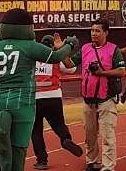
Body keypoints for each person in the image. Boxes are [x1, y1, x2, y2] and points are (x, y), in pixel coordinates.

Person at [0, 9, 77, 171]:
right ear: (27, 28)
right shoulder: (31, 46)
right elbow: (56, 57)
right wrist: (70, 45)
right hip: (22, 103)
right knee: (19, 146)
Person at [63, 18, 126, 171]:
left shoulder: (113, 50)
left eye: (97, 31)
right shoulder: (85, 49)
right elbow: (69, 64)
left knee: (107, 135)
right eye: (92, 30)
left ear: (106, 32)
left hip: (106, 99)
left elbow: (121, 71)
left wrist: (102, 73)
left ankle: (108, 166)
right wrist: (61, 50)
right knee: (89, 135)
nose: (94, 33)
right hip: (88, 99)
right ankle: (92, 161)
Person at [31, 35, 84, 170]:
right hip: (53, 96)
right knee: (59, 124)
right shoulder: (56, 57)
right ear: (52, 46)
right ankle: (66, 139)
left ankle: (42, 160)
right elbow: (71, 69)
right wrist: (62, 51)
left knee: (36, 131)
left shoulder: (32, 59)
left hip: (34, 98)